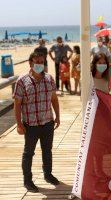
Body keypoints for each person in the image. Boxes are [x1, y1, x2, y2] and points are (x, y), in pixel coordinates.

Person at [13, 52, 60, 193]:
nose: (39, 64)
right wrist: (19, 124)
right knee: (28, 153)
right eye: (36, 62)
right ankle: (27, 180)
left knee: (47, 151)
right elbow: (17, 104)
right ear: (30, 63)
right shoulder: (22, 81)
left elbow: (54, 99)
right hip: (30, 125)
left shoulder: (50, 79)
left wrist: (57, 116)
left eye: (42, 62)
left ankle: (48, 174)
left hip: (47, 123)